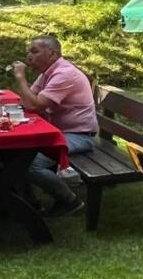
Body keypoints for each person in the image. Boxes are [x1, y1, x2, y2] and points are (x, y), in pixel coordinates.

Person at [10, 35, 98, 217]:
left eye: (34, 51)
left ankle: (70, 200)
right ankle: (27, 200)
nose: (29, 56)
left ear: (52, 53)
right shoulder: (47, 73)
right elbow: (27, 101)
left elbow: (34, 105)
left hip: (79, 135)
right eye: (28, 52)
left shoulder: (64, 74)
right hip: (59, 131)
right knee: (15, 152)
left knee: (29, 164)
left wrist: (20, 77)